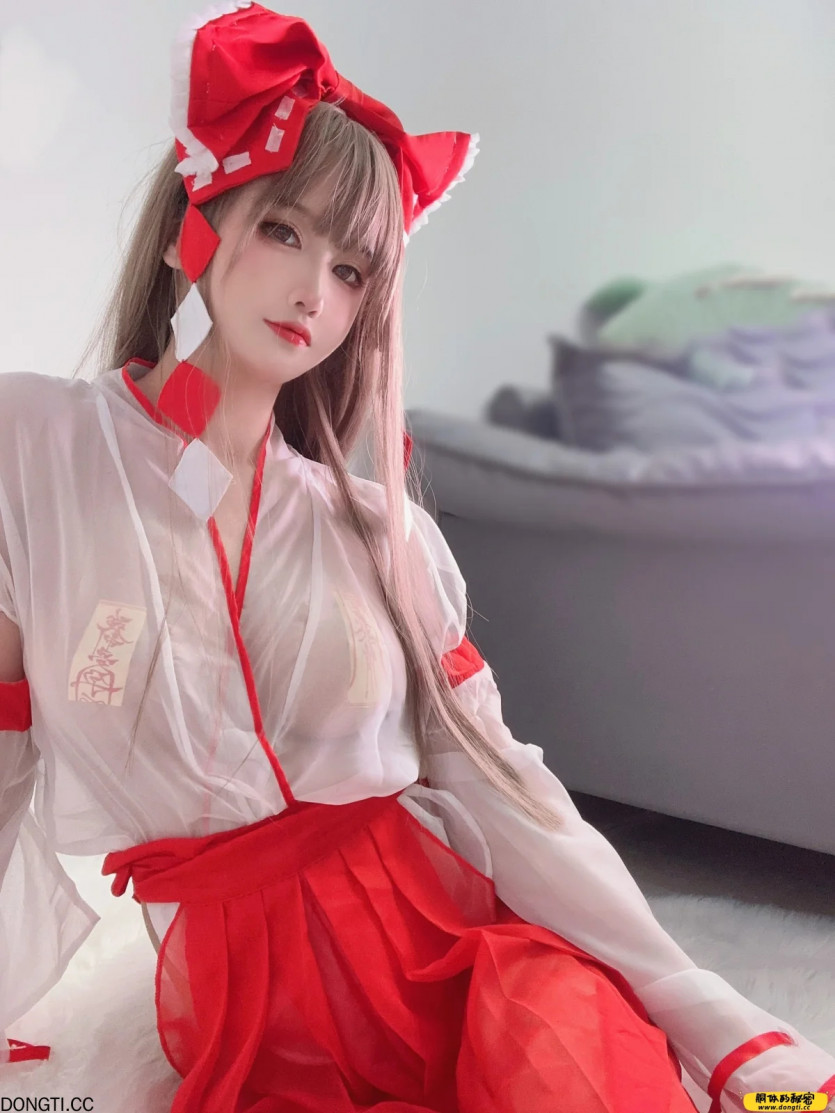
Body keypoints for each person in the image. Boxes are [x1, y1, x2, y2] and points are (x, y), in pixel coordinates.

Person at [0, 4, 833, 1111]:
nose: (315, 291)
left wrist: (711, 1017)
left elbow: (496, 781)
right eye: (284, 231)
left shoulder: (373, 532)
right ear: (185, 227)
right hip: (253, 1016)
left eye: (354, 269)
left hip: (463, 945)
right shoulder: (33, 449)